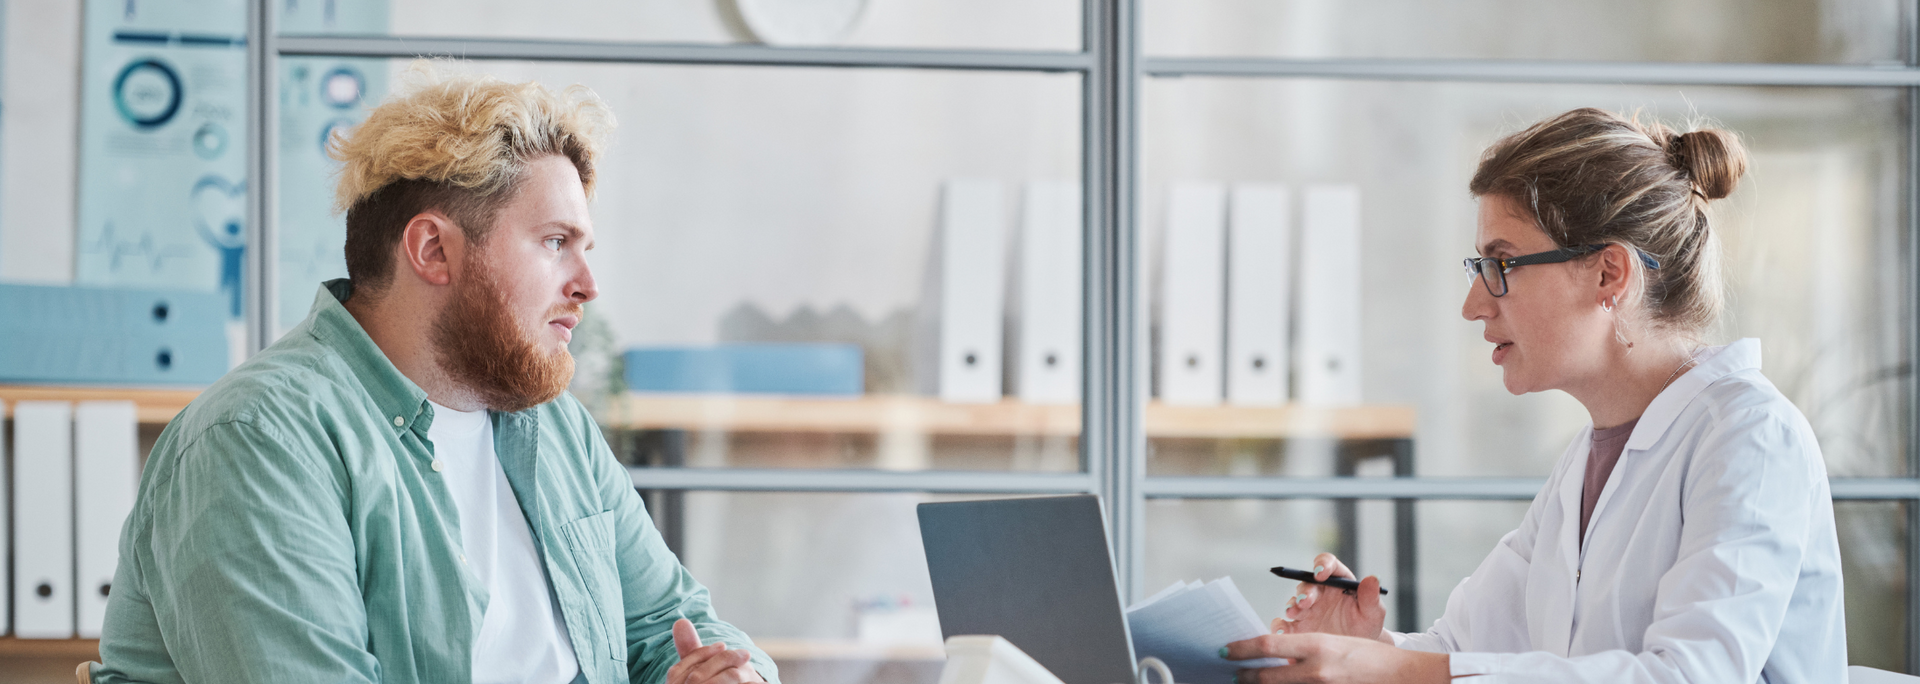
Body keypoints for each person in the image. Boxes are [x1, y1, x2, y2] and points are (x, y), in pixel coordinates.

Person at [86, 67, 775, 684]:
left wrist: (721, 676)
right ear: (432, 250)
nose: (587, 284)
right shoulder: (258, 441)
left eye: (584, 247)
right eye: (555, 242)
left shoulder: (549, 423)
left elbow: (670, 623)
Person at [1225, 108, 1847, 682]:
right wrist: (1367, 648)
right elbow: (1461, 650)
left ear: (1609, 274)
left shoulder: (1750, 437)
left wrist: (1396, 672)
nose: (1473, 306)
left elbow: (1687, 676)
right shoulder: (1584, 464)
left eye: (1501, 264)